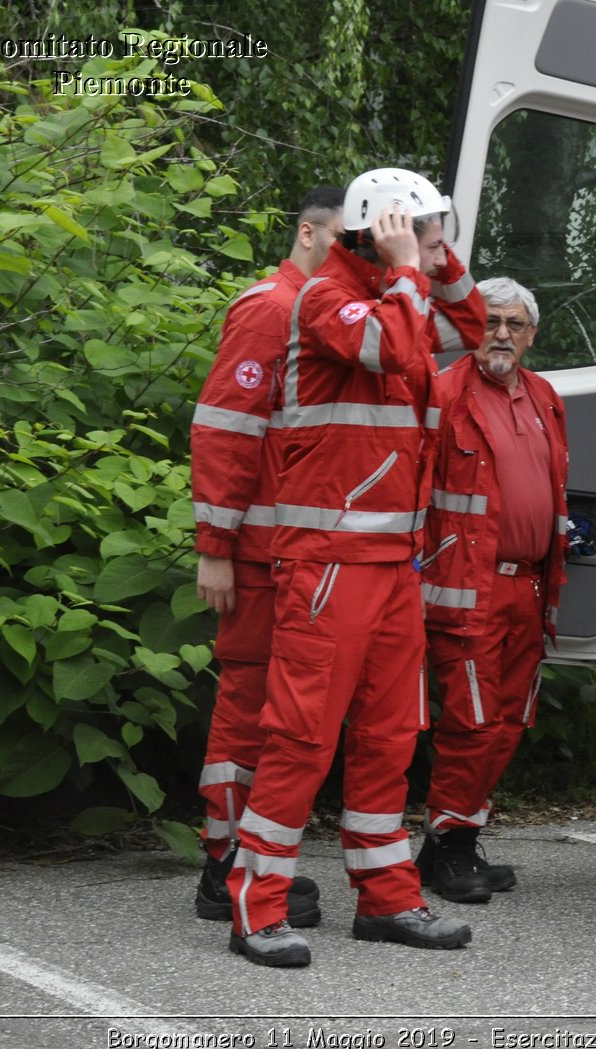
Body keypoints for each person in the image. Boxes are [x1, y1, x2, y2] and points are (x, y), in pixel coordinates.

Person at [224, 168, 485, 967]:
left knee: (389, 736)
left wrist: (435, 264)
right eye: (424, 231)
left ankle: (387, 896)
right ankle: (255, 904)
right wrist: (409, 267)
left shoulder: (398, 297)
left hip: (390, 566)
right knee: (301, 735)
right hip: (329, 564)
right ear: (380, 233)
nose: (436, 248)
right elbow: (392, 342)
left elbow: (467, 328)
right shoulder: (326, 300)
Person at [189, 185, 346, 929]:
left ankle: (246, 855)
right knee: (248, 706)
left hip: (288, 554)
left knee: (275, 708)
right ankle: (225, 864)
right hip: (255, 555)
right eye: (344, 241)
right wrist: (215, 549)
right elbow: (224, 429)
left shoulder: (310, 312)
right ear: (310, 236)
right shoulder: (271, 308)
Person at [416, 278, 568, 903]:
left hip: (528, 590)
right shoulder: (443, 392)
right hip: (466, 588)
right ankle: (449, 847)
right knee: (471, 725)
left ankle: (452, 842)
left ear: (532, 334)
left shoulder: (546, 397)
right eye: (489, 321)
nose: (501, 334)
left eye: (514, 323)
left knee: (508, 722)